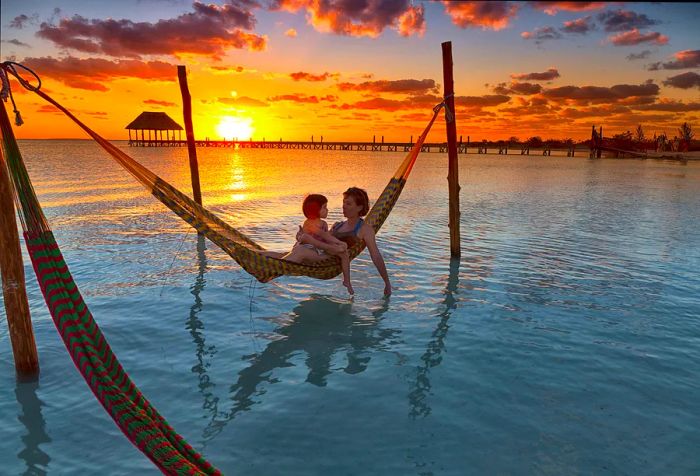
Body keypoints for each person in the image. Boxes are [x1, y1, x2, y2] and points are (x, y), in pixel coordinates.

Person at [280, 187, 392, 296]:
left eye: (348, 204)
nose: (343, 206)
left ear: (359, 207)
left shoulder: (364, 229)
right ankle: (264, 260)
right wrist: (302, 236)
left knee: (298, 253)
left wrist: (387, 283)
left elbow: (376, 256)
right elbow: (321, 240)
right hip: (317, 255)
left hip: (327, 262)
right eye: (343, 202)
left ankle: (274, 268)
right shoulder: (337, 226)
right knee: (284, 255)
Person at [297, 194, 354, 294]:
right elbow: (324, 236)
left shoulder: (320, 223)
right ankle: (347, 281)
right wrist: (338, 243)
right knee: (344, 253)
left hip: (319, 248)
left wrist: (333, 232)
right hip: (313, 249)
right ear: (315, 210)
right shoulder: (311, 223)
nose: (327, 210)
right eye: (324, 207)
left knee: (344, 253)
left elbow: (326, 236)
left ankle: (347, 281)